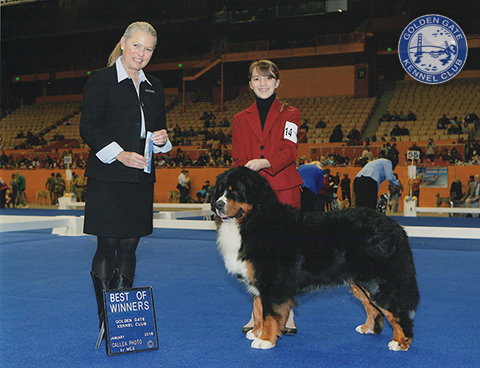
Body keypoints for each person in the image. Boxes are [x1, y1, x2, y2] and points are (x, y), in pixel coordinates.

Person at [79, 21, 172, 345]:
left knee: (131, 246)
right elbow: (88, 128)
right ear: (123, 43)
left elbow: (157, 132)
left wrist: (162, 139)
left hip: (140, 178)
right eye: (137, 46)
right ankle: (106, 317)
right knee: (107, 245)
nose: (141, 54)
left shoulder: (154, 86)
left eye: (148, 49)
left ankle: (120, 318)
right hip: (108, 176)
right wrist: (119, 154)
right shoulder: (100, 80)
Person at [232, 59, 303, 335]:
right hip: (253, 197)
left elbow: (289, 152)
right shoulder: (239, 119)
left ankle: (288, 311)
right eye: (257, 79)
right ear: (250, 84)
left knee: (287, 254)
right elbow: (238, 158)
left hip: (285, 190)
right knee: (257, 254)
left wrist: (264, 162)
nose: (263, 84)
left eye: (268, 78)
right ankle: (257, 311)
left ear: (277, 82)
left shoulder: (291, 113)